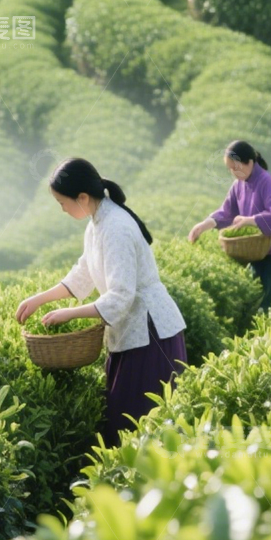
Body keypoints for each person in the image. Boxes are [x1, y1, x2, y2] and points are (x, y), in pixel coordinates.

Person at [16, 157, 186, 447]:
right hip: (131, 333)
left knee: (142, 426)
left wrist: (70, 314)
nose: (62, 209)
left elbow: (121, 296)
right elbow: (84, 273)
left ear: (82, 197)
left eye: (62, 203)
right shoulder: (97, 223)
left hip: (151, 334)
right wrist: (40, 299)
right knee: (122, 422)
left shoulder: (116, 227)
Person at [188, 139, 271, 311]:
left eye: (236, 167)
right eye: (230, 169)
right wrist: (204, 225)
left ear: (250, 162)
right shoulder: (238, 185)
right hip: (253, 252)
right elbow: (226, 212)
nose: (233, 173)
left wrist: (250, 220)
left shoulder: (267, 182)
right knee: (258, 304)